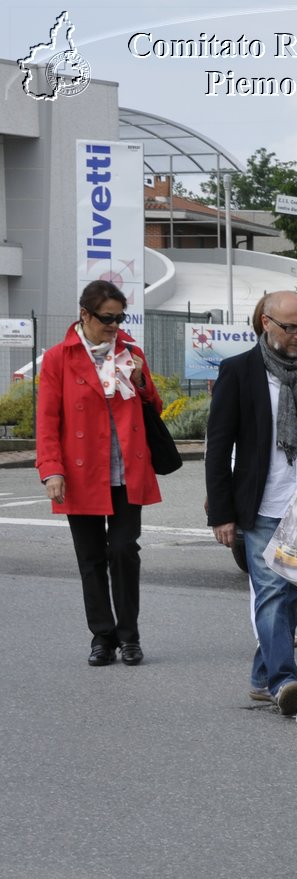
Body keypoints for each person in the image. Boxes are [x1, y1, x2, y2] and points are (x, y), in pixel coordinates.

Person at [205, 292, 297, 715]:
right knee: (271, 593)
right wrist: (222, 513)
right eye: (291, 327)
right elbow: (218, 445)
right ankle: (285, 681)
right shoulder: (239, 372)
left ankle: (262, 676)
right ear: (266, 323)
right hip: (262, 503)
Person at [36, 280, 163, 666]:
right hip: (80, 472)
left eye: (120, 318)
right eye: (108, 318)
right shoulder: (59, 358)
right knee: (90, 558)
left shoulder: (129, 352)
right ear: (85, 315)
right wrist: (51, 470)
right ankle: (102, 637)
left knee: (124, 550)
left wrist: (141, 380)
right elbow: (47, 420)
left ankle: (129, 636)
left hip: (127, 469)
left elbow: (153, 408)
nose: (115, 326)